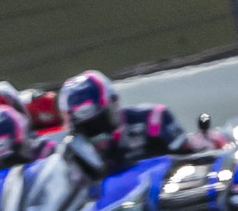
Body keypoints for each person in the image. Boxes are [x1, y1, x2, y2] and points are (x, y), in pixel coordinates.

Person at [57, 69, 207, 173]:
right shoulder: (70, 151)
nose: (97, 131)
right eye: (87, 127)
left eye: (100, 121)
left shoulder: (152, 119)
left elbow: (195, 159)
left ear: (115, 102)